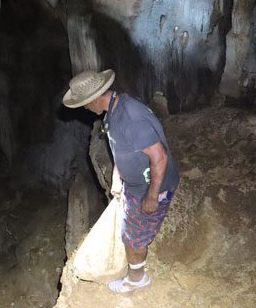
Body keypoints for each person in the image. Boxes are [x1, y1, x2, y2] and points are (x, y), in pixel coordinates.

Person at [62, 69, 179, 293]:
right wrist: (117, 178)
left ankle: (137, 279)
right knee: (129, 229)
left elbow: (159, 157)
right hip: (134, 185)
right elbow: (120, 148)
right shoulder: (113, 111)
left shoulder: (131, 118)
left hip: (151, 187)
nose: (85, 109)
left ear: (95, 98)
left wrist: (152, 196)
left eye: (85, 104)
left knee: (134, 237)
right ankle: (136, 270)